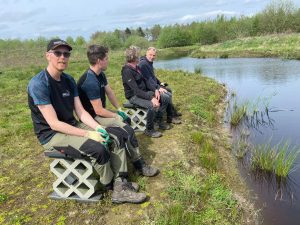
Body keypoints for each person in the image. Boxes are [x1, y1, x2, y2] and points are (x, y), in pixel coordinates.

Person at [27, 39, 146, 204]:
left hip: (72, 125)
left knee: (116, 136)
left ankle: (121, 182)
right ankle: (111, 186)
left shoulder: (68, 80)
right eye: (58, 53)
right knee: (97, 148)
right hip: (52, 135)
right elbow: (53, 123)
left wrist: (98, 128)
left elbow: (81, 112)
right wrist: (88, 134)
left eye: (66, 53)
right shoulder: (39, 83)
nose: (63, 57)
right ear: (48, 56)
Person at [77, 44, 159, 177]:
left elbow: (109, 92)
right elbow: (98, 110)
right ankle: (139, 164)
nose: (108, 60)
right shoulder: (89, 81)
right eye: (106, 58)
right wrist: (116, 116)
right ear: (99, 61)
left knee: (126, 119)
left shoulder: (100, 74)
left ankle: (130, 153)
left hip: (99, 112)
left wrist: (119, 109)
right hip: (92, 117)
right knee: (125, 127)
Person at [121, 46, 172, 138]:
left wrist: (155, 89)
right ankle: (149, 130)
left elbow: (145, 81)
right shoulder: (127, 70)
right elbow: (135, 91)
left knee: (163, 97)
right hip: (133, 96)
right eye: (138, 56)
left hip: (143, 92)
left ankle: (159, 121)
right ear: (134, 57)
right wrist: (151, 97)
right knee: (152, 105)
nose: (140, 57)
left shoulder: (136, 67)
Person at [139, 47, 182, 124]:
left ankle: (172, 112)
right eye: (150, 55)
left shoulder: (148, 62)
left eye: (154, 55)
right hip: (147, 89)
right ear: (146, 53)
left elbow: (152, 77)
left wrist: (160, 83)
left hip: (152, 86)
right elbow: (147, 80)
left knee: (168, 89)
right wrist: (158, 88)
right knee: (166, 94)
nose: (152, 57)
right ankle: (170, 117)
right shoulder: (143, 64)